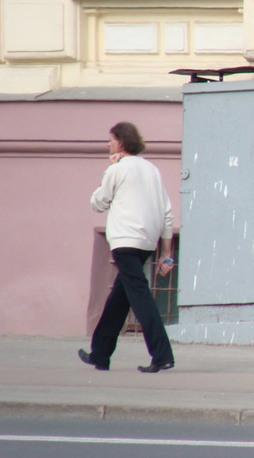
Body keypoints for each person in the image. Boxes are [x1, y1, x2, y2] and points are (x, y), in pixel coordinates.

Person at [79, 121, 176, 373]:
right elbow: (167, 212)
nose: (108, 143)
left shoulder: (118, 169)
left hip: (125, 241)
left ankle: (162, 355)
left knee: (140, 297)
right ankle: (100, 354)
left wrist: (110, 169)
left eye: (110, 139)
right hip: (146, 243)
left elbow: (98, 203)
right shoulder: (152, 169)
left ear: (120, 142)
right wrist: (166, 253)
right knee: (119, 298)